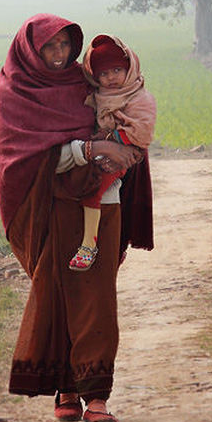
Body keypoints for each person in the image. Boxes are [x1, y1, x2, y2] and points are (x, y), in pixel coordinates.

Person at [0, 14, 153, 422]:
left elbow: (124, 135)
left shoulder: (87, 85)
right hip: (46, 207)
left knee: (97, 296)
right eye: (50, 46)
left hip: (101, 205)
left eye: (66, 45)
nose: (60, 54)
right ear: (30, 50)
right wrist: (82, 150)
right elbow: (18, 158)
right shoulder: (15, 93)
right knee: (56, 294)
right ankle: (65, 390)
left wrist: (100, 151)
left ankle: (96, 395)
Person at [69, 34, 157, 271]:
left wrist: (110, 139)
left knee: (93, 189)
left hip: (125, 154)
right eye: (104, 74)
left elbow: (142, 131)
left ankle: (89, 246)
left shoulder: (139, 97)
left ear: (129, 68)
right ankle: (109, 246)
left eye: (117, 70)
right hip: (103, 152)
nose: (111, 78)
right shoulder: (101, 95)